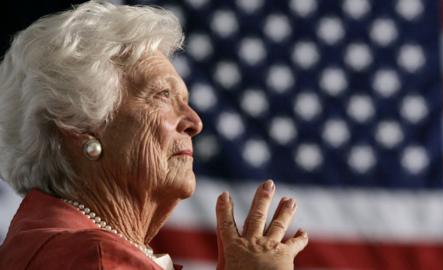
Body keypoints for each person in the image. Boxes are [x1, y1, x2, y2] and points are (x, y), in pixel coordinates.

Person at [0, 1, 308, 269]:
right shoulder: (94, 256)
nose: (194, 122)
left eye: (185, 102)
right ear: (78, 123)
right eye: (162, 95)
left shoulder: (59, 247)